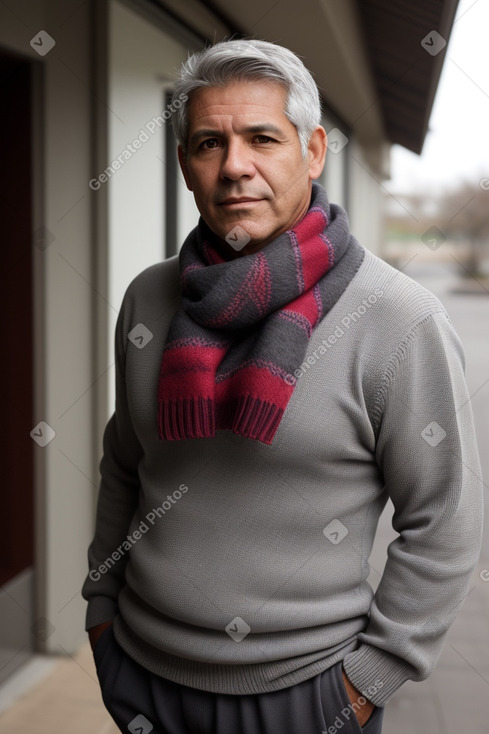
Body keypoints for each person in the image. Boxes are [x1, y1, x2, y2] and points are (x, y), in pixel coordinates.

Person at [82, 38, 483, 734]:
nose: (234, 166)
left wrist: (367, 683)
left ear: (314, 150)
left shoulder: (395, 319)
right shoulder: (148, 300)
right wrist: (100, 610)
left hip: (306, 698)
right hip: (142, 675)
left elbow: (444, 522)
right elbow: (125, 461)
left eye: (262, 138)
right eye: (209, 143)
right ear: (184, 165)